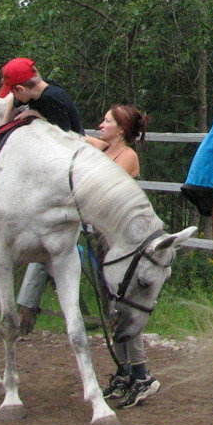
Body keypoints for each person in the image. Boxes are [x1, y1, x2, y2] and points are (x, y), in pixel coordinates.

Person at [0, 57, 85, 334]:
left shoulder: (51, 99)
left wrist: (36, 117)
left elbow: (66, 136)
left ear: (22, 89)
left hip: (69, 161)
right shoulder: (45, 92)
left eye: (14, 92)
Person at [87, 104, 161, 408]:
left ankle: (142, 375)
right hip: (104, 237)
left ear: (121, 129)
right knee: (112, 310)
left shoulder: (127, 157)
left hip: (122, 243)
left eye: (106, 121)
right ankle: (125, 371)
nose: (100, 125)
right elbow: (76, 136)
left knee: (124, 309)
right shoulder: (105, 150)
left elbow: (102, 190)